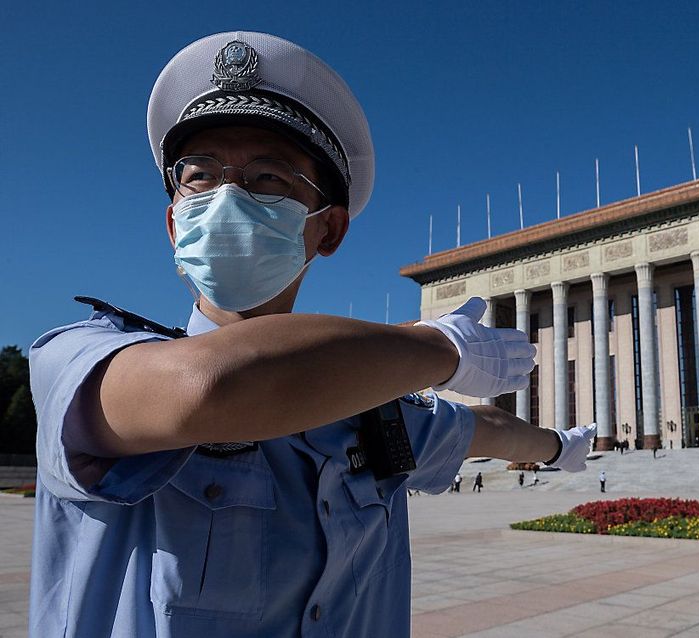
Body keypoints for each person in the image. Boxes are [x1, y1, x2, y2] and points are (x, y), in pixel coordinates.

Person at [27, 31, 598, 638]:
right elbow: (209, 388)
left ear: (328, 230)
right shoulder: (83, 360)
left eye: (268, 179)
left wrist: (560, 447)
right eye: (199, 176)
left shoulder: (373, 413)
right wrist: (435, 348)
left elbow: (486, 429)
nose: (226, 197)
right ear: (174, 224)